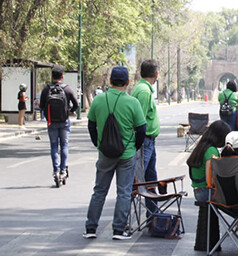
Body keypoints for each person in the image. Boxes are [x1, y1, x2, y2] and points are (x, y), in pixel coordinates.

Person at [84, 66, 146, 240]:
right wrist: (135, 146)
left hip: (105, 153)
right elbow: (141, 129)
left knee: (99, 190)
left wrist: (98, 144)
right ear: (127, 83)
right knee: (124, 192)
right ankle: (119, 229)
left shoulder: (98, 100)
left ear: (110, 81)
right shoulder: (132, 102)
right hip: (126, 154)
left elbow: (91, 125)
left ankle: (90, 228)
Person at [39, 65, 79, 186]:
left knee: (54, 146)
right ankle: (63, 170)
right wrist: (70, 111)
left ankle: (55, 170)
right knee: (64, 145)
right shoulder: (67, 89)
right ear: (62, 76)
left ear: (52, 76)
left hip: (51, 122)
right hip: (64, 121)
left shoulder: (47, 89)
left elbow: (41, 105)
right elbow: (76, 104)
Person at [131, 59, 160, 215]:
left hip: (149, 142)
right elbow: (139, 120)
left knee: (150, 180)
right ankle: (124, 218)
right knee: (137, 181)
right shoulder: (143, 91)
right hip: (144, 142)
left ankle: (153, 215)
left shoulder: (144, 89)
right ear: (156, 74)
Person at [186, 120, 231, 203]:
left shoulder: (202, 147)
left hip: (198, 190)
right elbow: (210, 180)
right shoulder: (211, 151)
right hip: (206, 192)